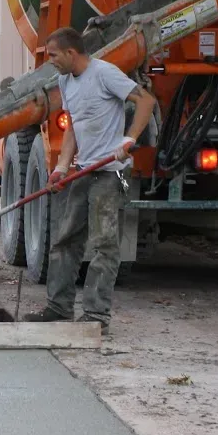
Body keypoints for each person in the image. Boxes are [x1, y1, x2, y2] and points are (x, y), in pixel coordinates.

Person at [23, 27, 156, 333]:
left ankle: (96, 317)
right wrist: (61, 167)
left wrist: (129, 138)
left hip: (109, 174)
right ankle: (59, 308)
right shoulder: (64, 81)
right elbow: (73, 128)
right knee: (65, 239)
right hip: (84, 170)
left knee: (104, 245)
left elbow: (145, 101)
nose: (50, 61)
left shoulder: (104, 74)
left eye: (54, 55)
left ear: (72, 53)